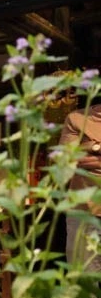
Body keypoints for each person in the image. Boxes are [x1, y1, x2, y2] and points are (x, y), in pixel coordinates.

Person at [60, 105, 101, 272]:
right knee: (83, 283)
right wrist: (95, 148)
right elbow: (64, 162)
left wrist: (87, 149)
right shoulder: (77, 119)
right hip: (84, 213)